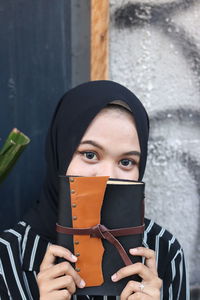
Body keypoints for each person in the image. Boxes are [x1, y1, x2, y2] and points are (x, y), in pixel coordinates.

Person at [0, 80, 189, 299]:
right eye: (90, 155)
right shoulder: (7, 256)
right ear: (60, 154)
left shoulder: (164, 250)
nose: (107, 176)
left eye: (126, 162)